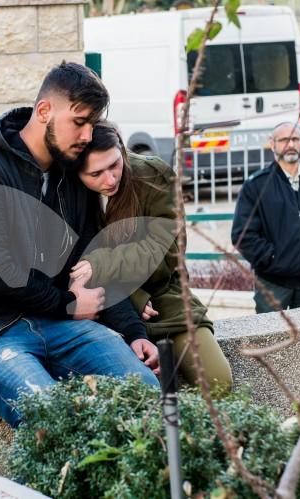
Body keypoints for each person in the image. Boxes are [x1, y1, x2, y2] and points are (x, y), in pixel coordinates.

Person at [0, 62, 160, 428]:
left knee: (144, 391)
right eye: (78, 121)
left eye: (92, 123)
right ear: (44, 111)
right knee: (52, 419)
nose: (86, 135)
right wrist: (69, 304)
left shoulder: (69, 175)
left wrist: (133, 332)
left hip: (52, 322)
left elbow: (88, 261)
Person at [69, 122, 232, 391]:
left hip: (165, 298)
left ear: (121, 149)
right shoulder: (69, 193)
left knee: (218, 381)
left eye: (114, 165)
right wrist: (132, 296)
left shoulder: (152, 176)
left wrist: (101, 263)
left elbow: (165, 254)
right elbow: (73, 269)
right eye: (96, 173)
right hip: (106, 310)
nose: (110, 179)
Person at [231, 122, 300, 313]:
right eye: (284, 140)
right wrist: (272, 258)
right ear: (272, 143)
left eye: (295, 139)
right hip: (273, 283)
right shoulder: (257, 186)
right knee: (272, 339)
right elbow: (242, 234)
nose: (290, 145)